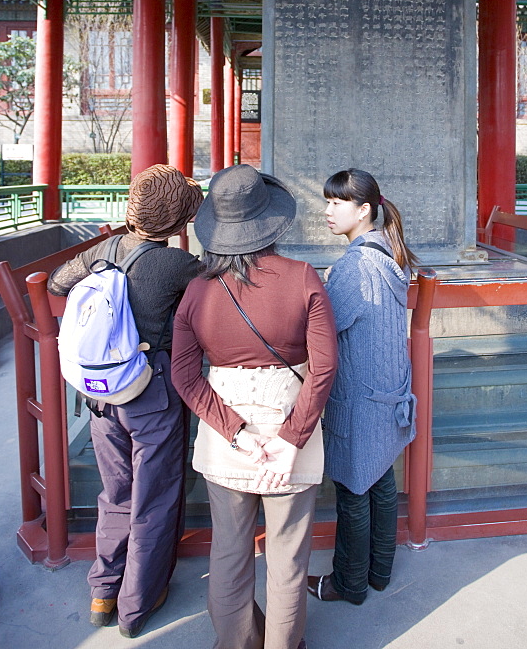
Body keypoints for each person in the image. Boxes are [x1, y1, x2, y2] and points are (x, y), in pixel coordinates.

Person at [171, 164, 338, 649]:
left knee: (228, 554)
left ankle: (236, 643)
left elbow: (185, 375)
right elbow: (324, 367)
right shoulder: (303, 277)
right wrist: (288, 441)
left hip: (227, 439)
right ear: (270, 221)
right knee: (287, 561)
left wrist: (238, 432)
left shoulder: (197, 291)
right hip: (293, 428)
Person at [48, 164, 203, 638]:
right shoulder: (178, 265)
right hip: (150, 395)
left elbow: (57, 282)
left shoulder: (105, 249)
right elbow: (217, 298)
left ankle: (103, 589)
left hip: (100, 396)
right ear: (178, 224)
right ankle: (137, 604)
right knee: (154, 495)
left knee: (116, 491)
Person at [307, 168, 418, 606]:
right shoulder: (389, 254)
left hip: (359, 397)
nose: (328, 211)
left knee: (354, 490)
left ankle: (349, 584)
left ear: (364, 209)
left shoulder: (355, 265)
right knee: (381, 482)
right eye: (328, 201)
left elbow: (324, 328)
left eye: (337, 203)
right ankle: (379, 573)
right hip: (388, 394)